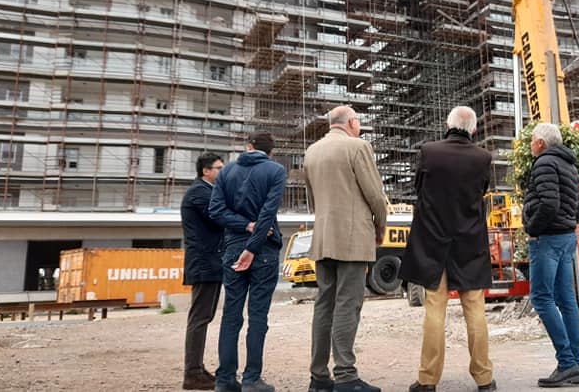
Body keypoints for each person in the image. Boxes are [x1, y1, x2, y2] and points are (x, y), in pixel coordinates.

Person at [400, 106, 498, 392]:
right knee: (475, 309)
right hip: (469, 242)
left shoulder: (429, 152)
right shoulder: (483, 158)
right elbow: (480, 193)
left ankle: (427, 380)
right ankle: (484, 379)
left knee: (435, 308)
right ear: (474, 129)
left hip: (434, 242)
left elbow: (420, 189)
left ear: (448, 124)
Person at [304, 106, 387, 392]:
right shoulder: (357, 146)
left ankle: (318, 376)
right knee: (348, 304)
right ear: (352, 122)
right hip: (352, 238)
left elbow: (313, 200)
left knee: (324, 304)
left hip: (324, 237)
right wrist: (379, 227)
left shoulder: (312, 151)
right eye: (359, 122)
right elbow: (375, 195)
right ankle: (346, 375)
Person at [208, 133, 286, 392]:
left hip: (232, 248)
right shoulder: (275, 171)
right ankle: (252, 379)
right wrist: (253, 244)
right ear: (270, 152)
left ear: (249, 147)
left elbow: (216, 211)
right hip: (263, 250)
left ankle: (225, 380)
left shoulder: (226, 172)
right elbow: (268, 212)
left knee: (231, 314)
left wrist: (243, 226)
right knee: (258, 315)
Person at [523, 123, 579, 388]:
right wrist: (566, 225)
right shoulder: (570, 166)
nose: (530, 144)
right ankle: (575, 364)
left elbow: (549, 203)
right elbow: (577, 209)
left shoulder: (544, 163)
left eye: (532, 140)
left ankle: (567, 363)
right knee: (566, 300)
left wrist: (532, 228)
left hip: (547, 238)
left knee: (542, 298)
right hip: (567, 237)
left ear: (541, 143)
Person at [180, 152, 224, 390]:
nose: (222, 172)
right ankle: (192, 372)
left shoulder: (205, 191)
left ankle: (196, 369)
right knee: (199, 318)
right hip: (204, 263)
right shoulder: (200, 192)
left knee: (203, 317)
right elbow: (219, 216)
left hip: (209, 262)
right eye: (219, 168)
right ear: (206, 171)